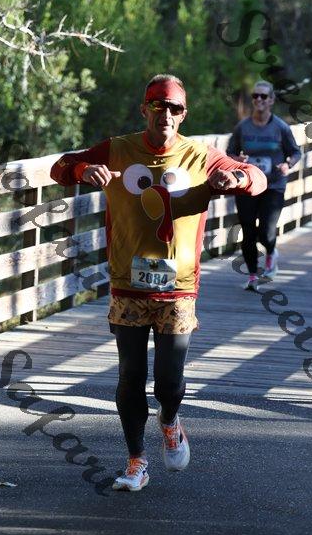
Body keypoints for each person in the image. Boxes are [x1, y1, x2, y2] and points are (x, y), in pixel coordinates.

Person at [51, 74, 266, 492]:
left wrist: (237, 180)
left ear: (184, 114)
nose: (165, 113)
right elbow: (60, 167)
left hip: (178, 287)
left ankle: (169, 420)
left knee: (169, 381)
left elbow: (257, 177)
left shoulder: (200, 155)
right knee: (130, 375)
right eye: (157, 104)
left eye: (174, 108)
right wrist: (83, 169)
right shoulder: (117, 149)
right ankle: (136, 461)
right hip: (127, 284)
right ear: (144, 109)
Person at [227, 80, 301, 291]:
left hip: (273, 185)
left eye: (263, 96)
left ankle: (271, 252)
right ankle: (252, 276)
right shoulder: (242, 127)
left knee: (267, 232)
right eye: (255, 96)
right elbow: (229, 152)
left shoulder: (281, 127)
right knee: (248, 231)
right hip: (247, 186)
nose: (258, 99)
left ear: (271, 100)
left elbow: (295, 152)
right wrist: (237, 160)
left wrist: (287, 164)